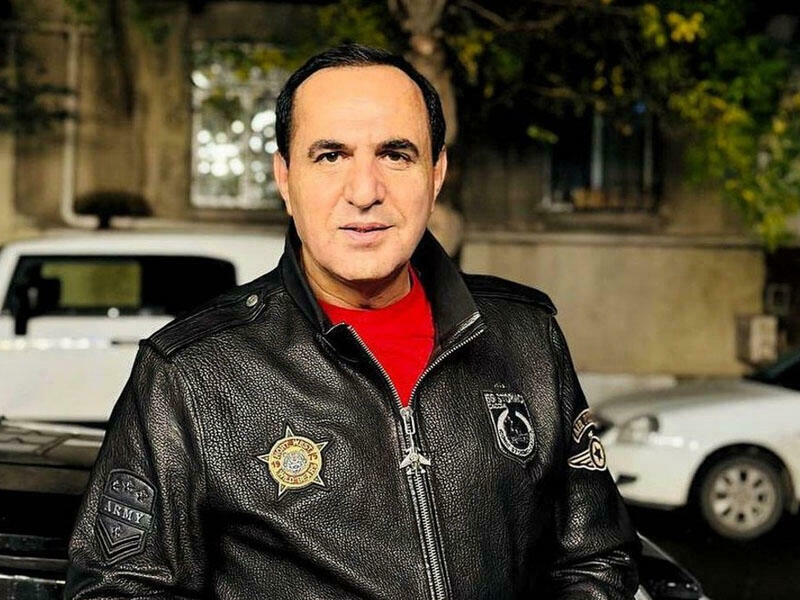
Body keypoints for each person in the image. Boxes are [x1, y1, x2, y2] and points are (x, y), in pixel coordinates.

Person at [65, 43, 640, 599]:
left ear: (436, 173)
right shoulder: (190, 372)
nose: (365, 192)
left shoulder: (526, 336)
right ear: (285, 178)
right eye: (330, 156)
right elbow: (118, 590)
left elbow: (596, 559)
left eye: (395, 155)